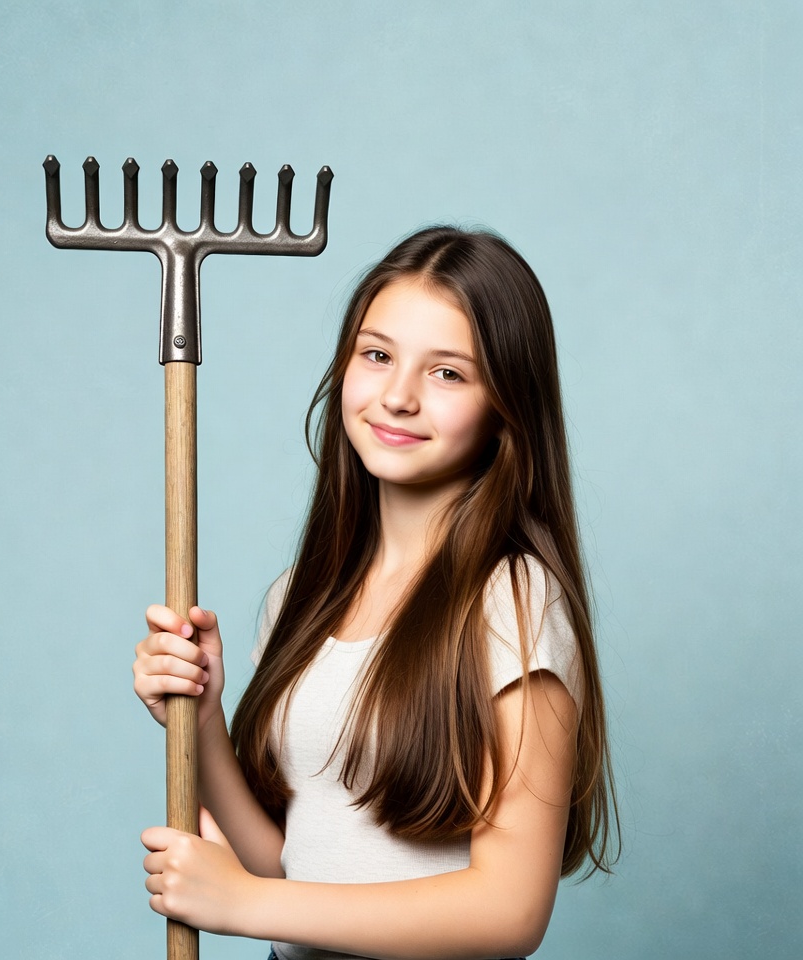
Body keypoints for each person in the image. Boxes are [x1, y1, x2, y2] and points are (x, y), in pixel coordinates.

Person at [133, 226, 619, 960]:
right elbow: (290, 863)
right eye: (378, 355)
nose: (397, 396)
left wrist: (250, 902)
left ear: (505, 407)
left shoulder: (514, 603)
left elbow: (510, 910)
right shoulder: (301, 597)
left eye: (448, 373)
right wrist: (203, 722)